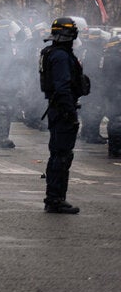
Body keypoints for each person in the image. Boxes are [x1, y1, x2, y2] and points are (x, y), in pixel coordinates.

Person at [39, 17, 90, 214]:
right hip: (62, 109)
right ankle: (55, 199)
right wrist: (69, 112)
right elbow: (62, 87)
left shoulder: (52, 52)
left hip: (57, 108)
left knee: (58, 154)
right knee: (61, 156)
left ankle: (55, 197)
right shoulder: (60, 56)